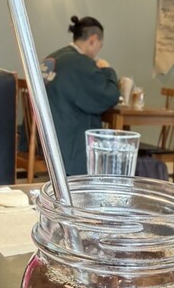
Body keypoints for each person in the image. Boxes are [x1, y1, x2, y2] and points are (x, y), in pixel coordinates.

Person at [41, 15, 120, 175]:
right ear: (92, 40)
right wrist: (107, 69)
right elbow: (110, 95)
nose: (97, 52)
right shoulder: (81, 64)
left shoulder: (53, 57)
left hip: (40, 138)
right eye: (99, 46)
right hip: (62, 144)